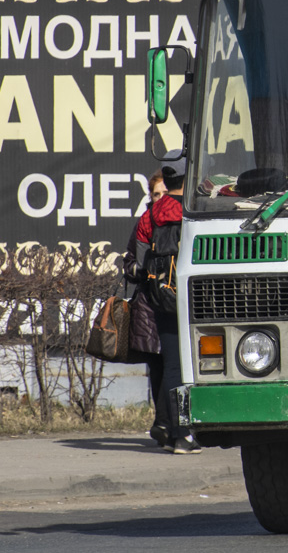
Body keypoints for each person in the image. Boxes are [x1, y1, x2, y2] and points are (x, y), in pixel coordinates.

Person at [132, 151, 199, 454]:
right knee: (188, 367)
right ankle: (186, 433)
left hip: (161, 294)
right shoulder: (194, 210)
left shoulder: (151, 213)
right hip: (191, 296)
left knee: (172, 363)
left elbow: (139, 250)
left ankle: (176, 434)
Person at [124, 170, 167, 446]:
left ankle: (175, 424)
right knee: (159, 368)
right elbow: (128, 263)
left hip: (175, 304)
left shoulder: (182, 220)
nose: (160, 199)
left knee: (177, 368)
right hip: (150, 308)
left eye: (164, 193)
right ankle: (162, 423)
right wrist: (143, 268)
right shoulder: (145, 222)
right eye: (155, 194)